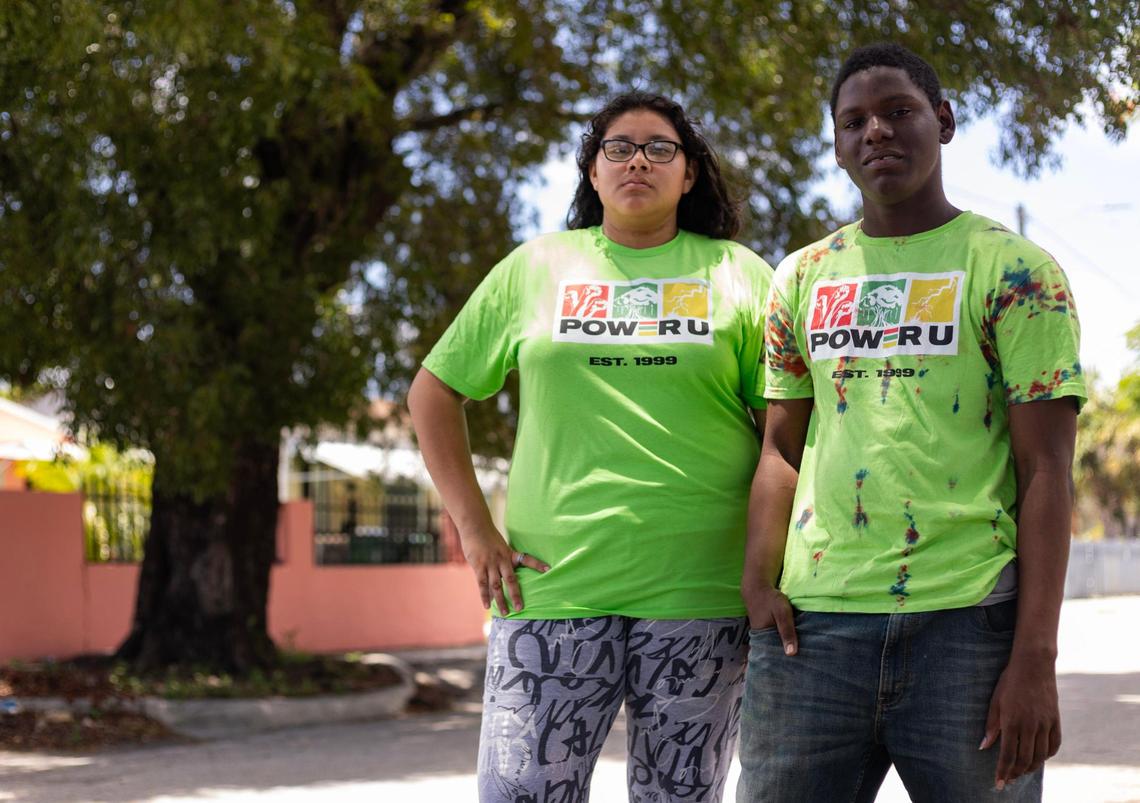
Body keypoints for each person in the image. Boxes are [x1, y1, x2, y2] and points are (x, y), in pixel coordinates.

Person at [737, 43, 1084, 802]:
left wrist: (1035, 656)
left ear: (945, 121)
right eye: (854, 121)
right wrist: (757, 585)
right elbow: (781, 449)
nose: (877, 133)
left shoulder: (1016, 272)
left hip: (968, 627)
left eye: (899, 112)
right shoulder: (801, 275)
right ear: (836, 144)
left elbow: (1047, 472)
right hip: (812, 632)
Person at [408, 91, 772, 802]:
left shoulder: (739, 274)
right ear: (593, 172)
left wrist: (768, 568)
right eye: (619, 147)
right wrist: (475, 528)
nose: (639, 158)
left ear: (690, 173)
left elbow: (784, 439)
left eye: (660, 147)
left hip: (700, 591)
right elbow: (433, 391)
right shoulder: (536, 267)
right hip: (552, 585)